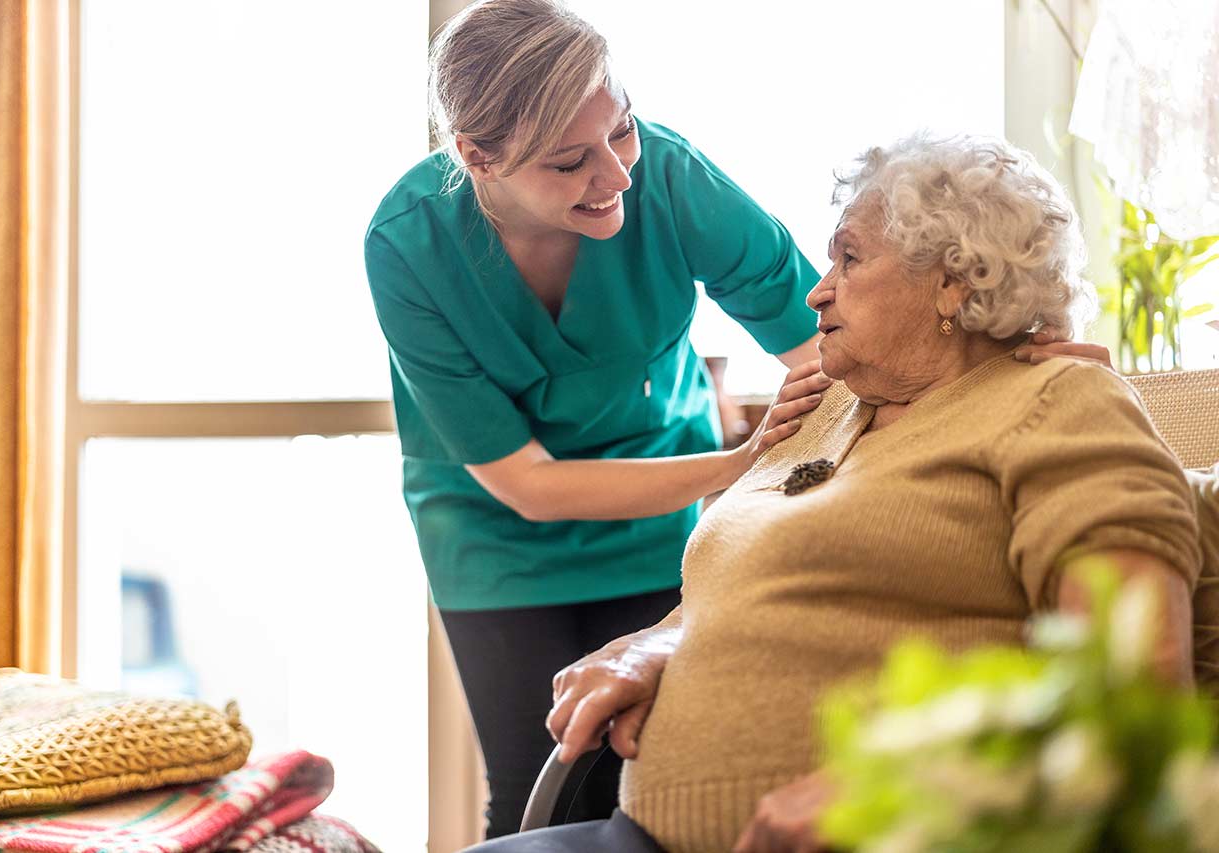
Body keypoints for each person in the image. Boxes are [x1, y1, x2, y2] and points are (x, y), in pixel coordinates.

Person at [366, 0, 1104, 837]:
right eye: (570, 162)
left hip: (660, 501)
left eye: (624, 130)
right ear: (478, 156)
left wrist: (1011, 367)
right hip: (493, 528)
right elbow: (526, 484)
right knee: (528, 772)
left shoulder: (672, 179)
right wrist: (741, 464)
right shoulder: (408, 242)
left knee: (631, 763)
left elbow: (835, 339)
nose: (616, 175)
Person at [465, 134, 1202, 852]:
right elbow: (742, 585)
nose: (817, 291)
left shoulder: (1060, 402)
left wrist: (908, 790)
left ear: (954, 279)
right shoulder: (822, 408)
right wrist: (660, 642)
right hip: (641, 830)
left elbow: (1132, 695)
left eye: (849, 258)